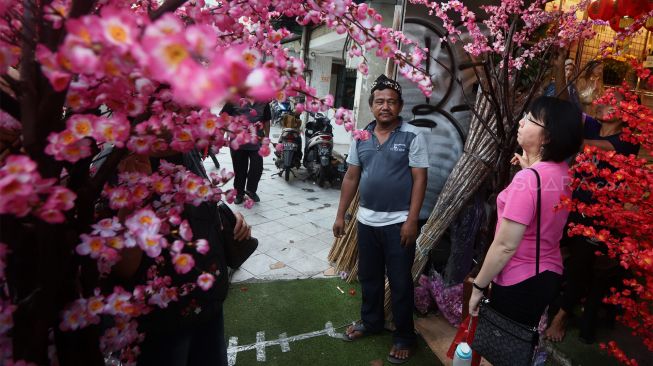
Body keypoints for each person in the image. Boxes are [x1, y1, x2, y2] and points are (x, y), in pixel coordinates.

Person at [113, 150, 252, 366]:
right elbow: (122, 267)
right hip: (161, 324)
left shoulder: (187, 150)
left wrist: (229, 216)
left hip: (209, 305)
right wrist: (134, 197)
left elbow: (203, 204)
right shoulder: (122, 164)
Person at [332, 74, 428, 364]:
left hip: (399, 223)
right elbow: (351, 176)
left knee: (400, 282)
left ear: (399, 106)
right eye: (379, 102)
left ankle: (404, 336)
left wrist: (412, 220)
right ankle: (371, 322)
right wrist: (341, 215)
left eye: (391, 102)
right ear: (372, 106)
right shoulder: (361, 135)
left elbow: (420, 179)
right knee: (370, 278)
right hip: (367, 222)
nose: (384, 106)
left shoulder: (413, 135)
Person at [468, 97, 583, 335]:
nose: (521, 122)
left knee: (504, 348)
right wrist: (529, 167)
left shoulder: (529, 180)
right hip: (546, 273)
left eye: (529, 119)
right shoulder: (563, 172)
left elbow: (505, 246)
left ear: (548, 136)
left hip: (519, 278)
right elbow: (542, 201)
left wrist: (478, 286)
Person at [545, 97, 640, 344]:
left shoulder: (628, 142)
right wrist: (560, 70)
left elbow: (586, 144)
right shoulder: (592, 126)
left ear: (627, 115)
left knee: (580, 261)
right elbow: (565, 104)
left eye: (614, 103)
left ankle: (562, 316)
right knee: (545, 239)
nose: (605, 105)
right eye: (606, 100)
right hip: (572, 207)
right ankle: (544, 295)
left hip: (601, 220)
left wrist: (569, 129)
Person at [222, 100, 271, 204]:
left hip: (256, 142)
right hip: (238, 142)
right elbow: (224, 117)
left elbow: (266, 121)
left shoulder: (263, 102)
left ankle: (251, 190)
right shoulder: (234, 99)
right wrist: (222, 135)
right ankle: (239, 193)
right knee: (240, 170)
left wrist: (267, 138)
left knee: (257, 168)